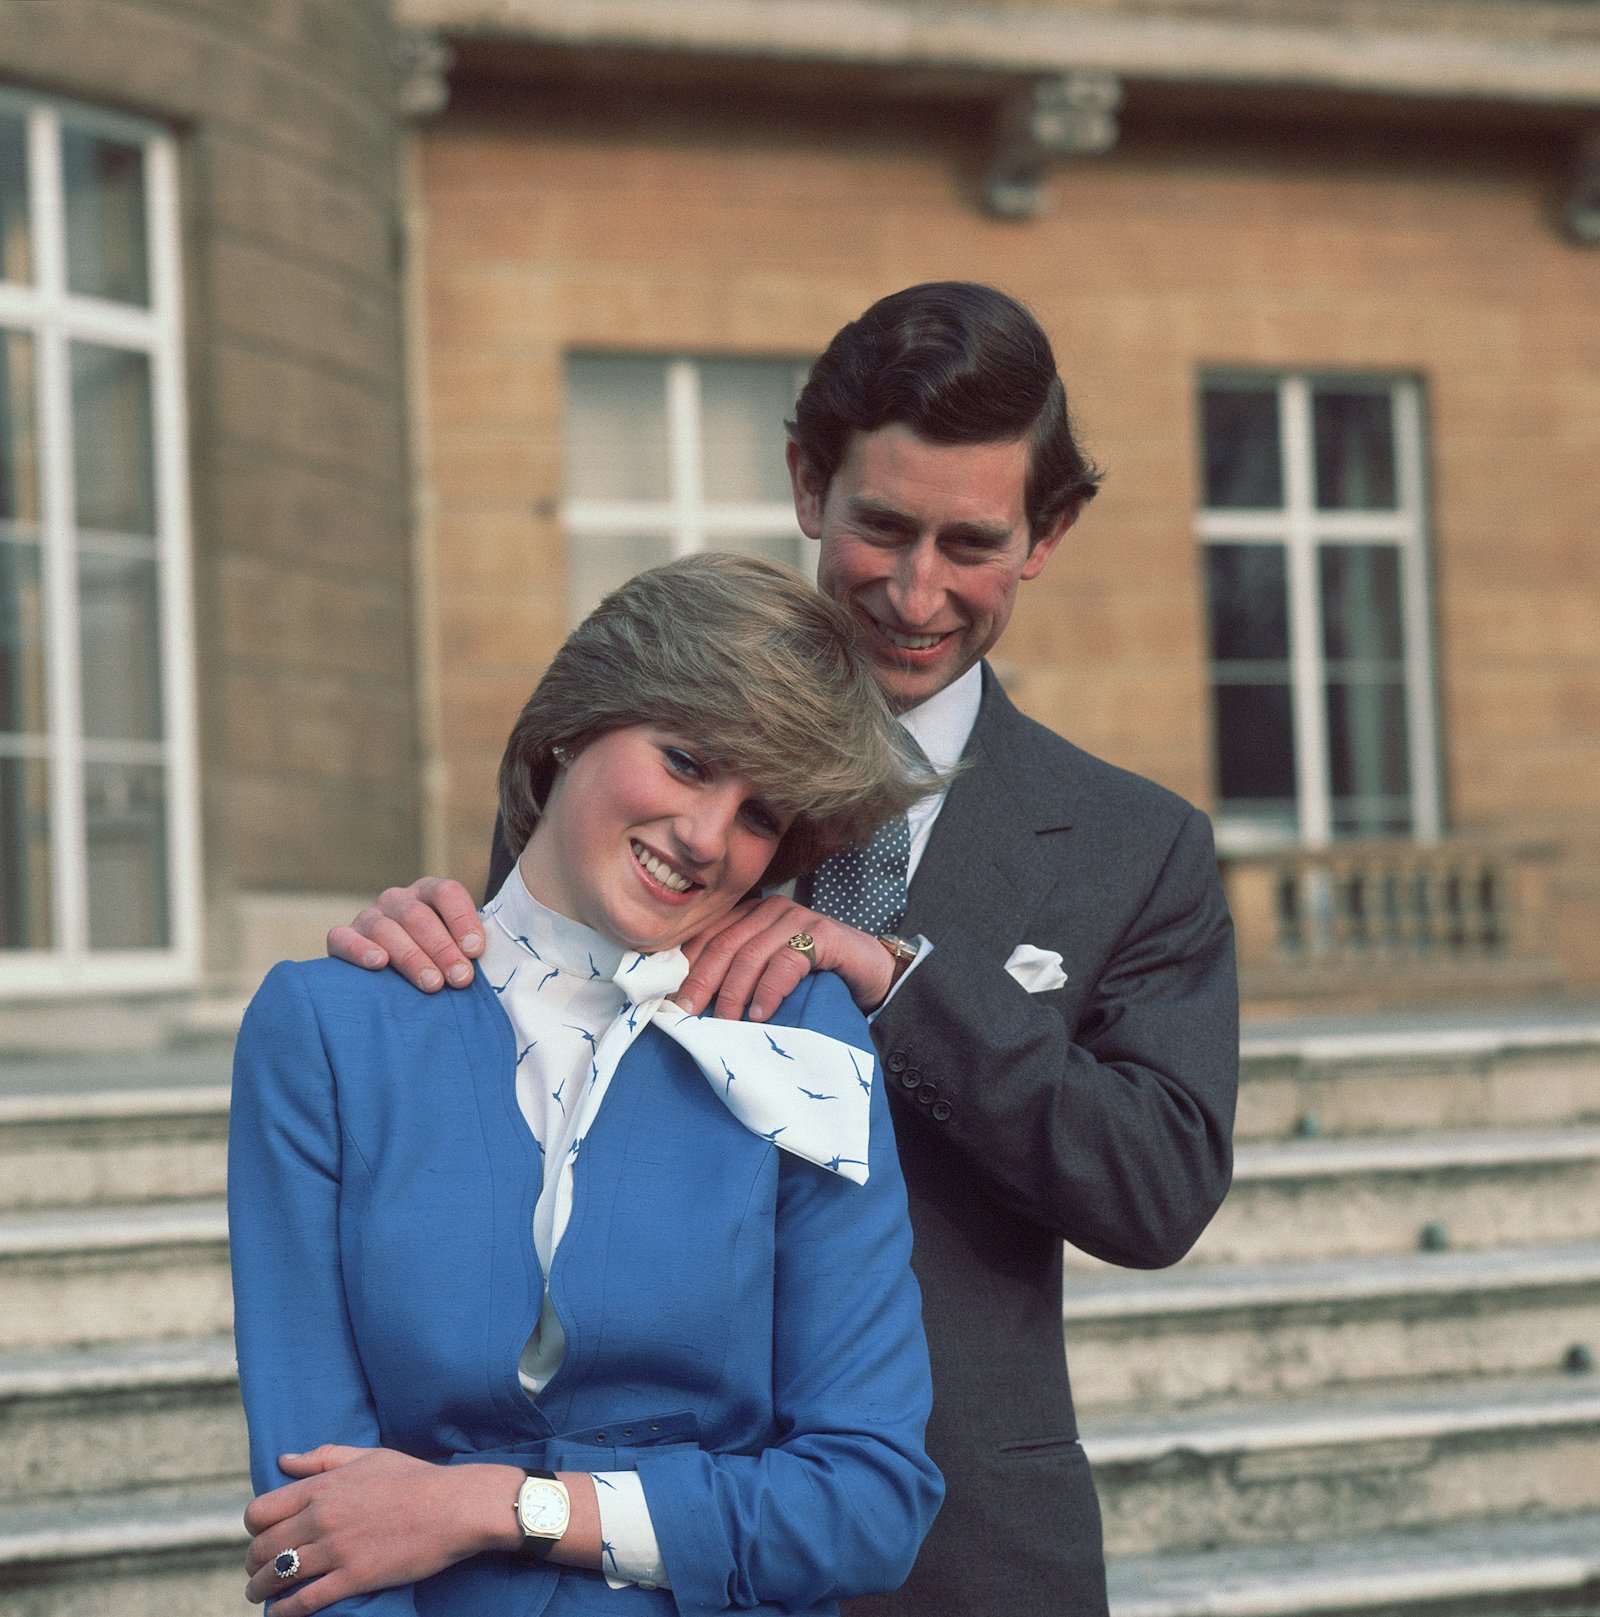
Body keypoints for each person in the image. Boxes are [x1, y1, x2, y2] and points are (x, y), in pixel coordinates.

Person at [331, 282, 1239, 1617]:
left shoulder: (1136, 846)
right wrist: (421, 962)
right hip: (638, 1546)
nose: (916, 592)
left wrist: (898, 980)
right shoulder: (634, 770)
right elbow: (509, 1090)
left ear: (1049, 534)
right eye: (882, 526)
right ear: (810, 483)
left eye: (970, 543)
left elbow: (1156, 1188)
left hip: (968, 1553)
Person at [229, 553, 944, 1617]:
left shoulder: (800, 1032)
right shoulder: (328, 1030)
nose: (708, 840)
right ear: (572, 725)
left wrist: (498, 1506)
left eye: (760, 816)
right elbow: (312, 1521)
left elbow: (868, 1503)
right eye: (688, 762)